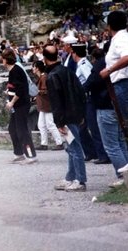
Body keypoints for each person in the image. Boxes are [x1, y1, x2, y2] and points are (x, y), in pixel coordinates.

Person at [43, 44, 87, 192]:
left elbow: (56, 102)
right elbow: (80, 91)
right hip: (74, 113)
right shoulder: (67, 70)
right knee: (71, 147)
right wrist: (81, 113)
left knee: (74, 148)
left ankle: (80, 180)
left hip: (66, 117)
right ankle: (70, 177)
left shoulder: (51, 76)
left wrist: (59, 122)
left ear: (44, 59)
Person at [84, 48, 128, 188]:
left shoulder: (102, 64)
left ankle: (123, 177)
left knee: (111, 145)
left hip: (104, 106)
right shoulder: (118, 66)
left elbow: (91, 82)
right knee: (120, 142)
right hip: (116, 105)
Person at [72, 43, 109, 164]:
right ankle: (92, 152)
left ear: (74, 53)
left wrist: (83, 90)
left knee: (93, 127)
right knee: (84, 127)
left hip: (88, 99)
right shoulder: (81, 64)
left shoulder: (83, 65)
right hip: (86, 99)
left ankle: (101, 154)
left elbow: (91, 80)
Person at [99, 11, 128, 159]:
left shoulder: (121, 38)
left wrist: (109, 69)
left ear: (109, 25)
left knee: (127, 126)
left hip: (124, 84)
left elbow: (127, 56)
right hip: (120, 85)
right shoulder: (118, 38)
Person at [1, 48, 37, 164]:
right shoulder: (12, 71)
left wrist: (11, 102)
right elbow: (14, 87)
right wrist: (8, 92)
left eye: (3, 59)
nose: (2, 61)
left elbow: (21, 90)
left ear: (6, 60)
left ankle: (31, 155)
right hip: (16, 106)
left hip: (21, 105)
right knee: (12, 128)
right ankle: (19, 153)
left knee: (22, 130)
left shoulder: (16, 71)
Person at [32, 61, 63, 151]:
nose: (32, 69)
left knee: (50, 124)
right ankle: (44, 143)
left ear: (37, 68)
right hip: (44, 105)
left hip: (47, 105)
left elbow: (47, 91)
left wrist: (37, 92)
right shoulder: (42, 77)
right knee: (41, 125)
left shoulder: (44, 77)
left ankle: (59, 142)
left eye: (33, 67)